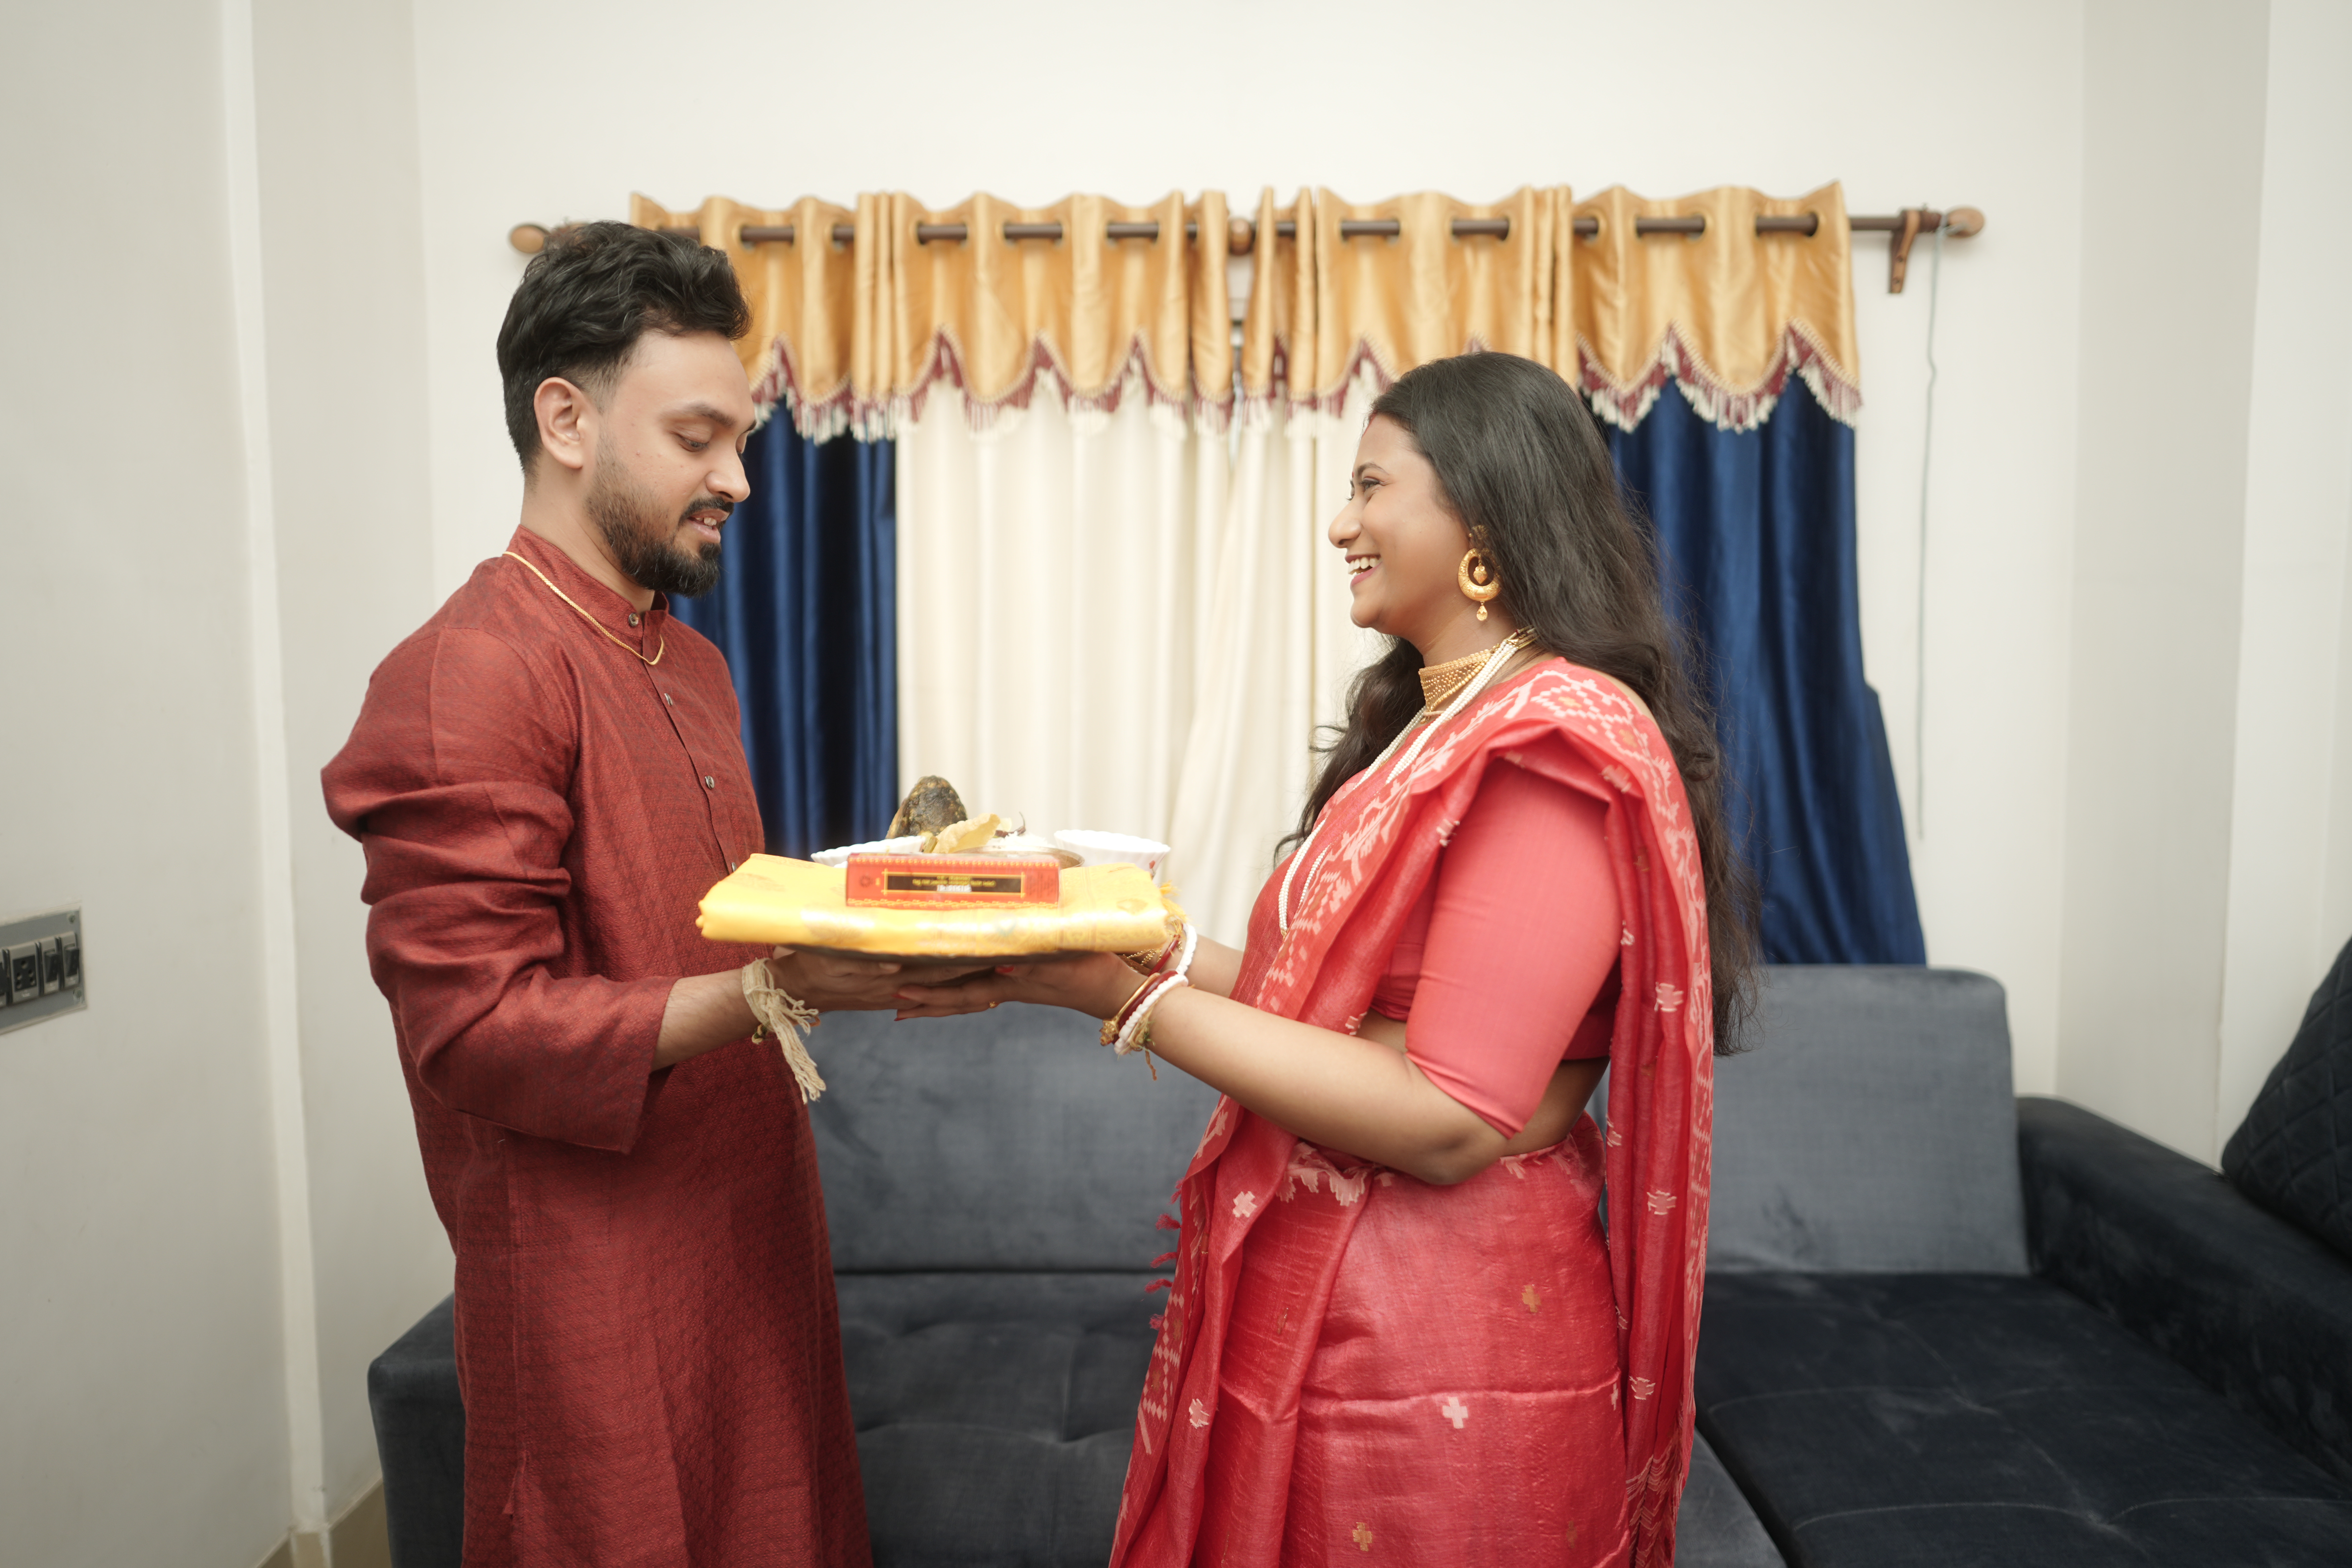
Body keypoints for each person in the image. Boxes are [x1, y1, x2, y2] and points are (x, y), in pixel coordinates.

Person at [897, 350, 1757, 1567]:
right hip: (1342, 1312)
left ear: (1485, 519)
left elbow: (1450, 1108)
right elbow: (1326, 1009)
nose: (1341, 522)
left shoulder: (1552, 743)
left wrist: (1123, 994)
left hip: (1442, 1360)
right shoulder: (1433, 726)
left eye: (1371, 486)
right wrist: (1138, 938)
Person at [324, 223, 917, 1567]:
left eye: (742, 439)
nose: (743, 481)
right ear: (567, 419)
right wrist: (773, 988)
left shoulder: (692, 666)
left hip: (751, 1242)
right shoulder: (464, 674)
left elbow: (701, 929)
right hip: (594, 1290)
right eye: (701, 437)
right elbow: (474, 1032)